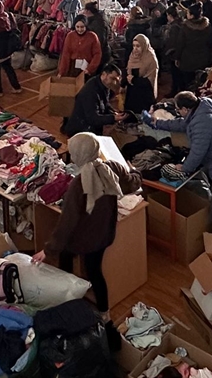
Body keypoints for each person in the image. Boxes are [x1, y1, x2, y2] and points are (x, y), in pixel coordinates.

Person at [32, 133, 142, 310]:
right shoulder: (112, 167)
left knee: (65, 259)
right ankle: (104, 312)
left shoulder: (78, 184)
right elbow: (132, 184)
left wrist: (49, 249)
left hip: (81, 239)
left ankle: (68, 300)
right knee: (95, 272)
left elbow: (67, 222)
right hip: (104, 234)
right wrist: (135, 170)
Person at [148, 92, 212, 236]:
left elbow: (197, 152)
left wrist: (184, 168)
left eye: (178, 110)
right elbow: (181, 124)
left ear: (185, 109)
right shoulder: (202, 110)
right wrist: (156, 123)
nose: (178, 113)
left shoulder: (201, 123)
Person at [66, 64, 123, 136]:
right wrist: (113, 118)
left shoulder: (103, 84)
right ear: (104, 74)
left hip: (88, 127)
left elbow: (104, 104)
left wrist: (113, 112)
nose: (114, 83)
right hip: (81, 130)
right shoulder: (91, 91)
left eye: (116, 80)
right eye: (112, 78)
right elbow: (93, 119)